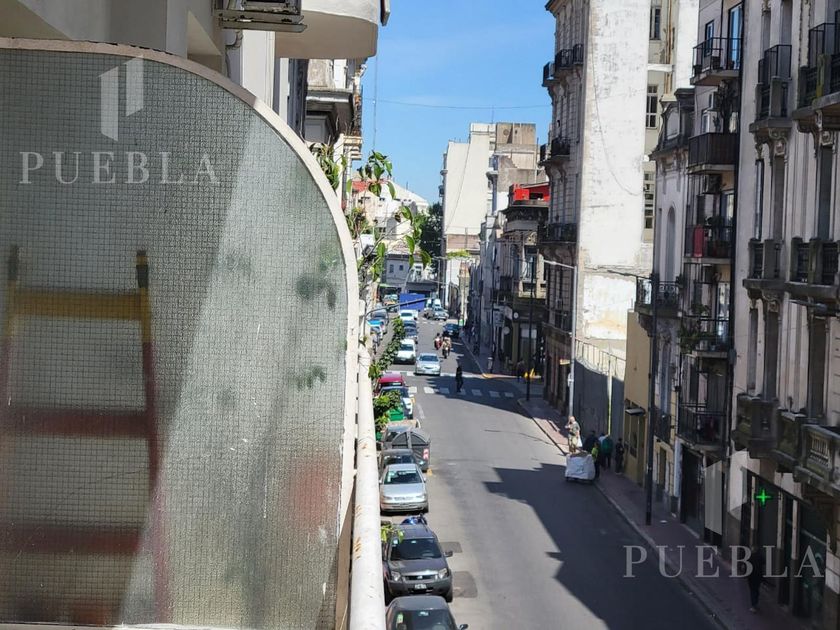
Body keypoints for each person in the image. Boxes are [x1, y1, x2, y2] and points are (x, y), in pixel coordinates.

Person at [747, 547, 764, 612]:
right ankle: (756, 603)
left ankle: (753, 606)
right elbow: (764, 562)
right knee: (756, 590)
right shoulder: (760, 556)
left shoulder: (750, 557)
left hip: (751, 577)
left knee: (752, 591)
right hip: (758, 577)